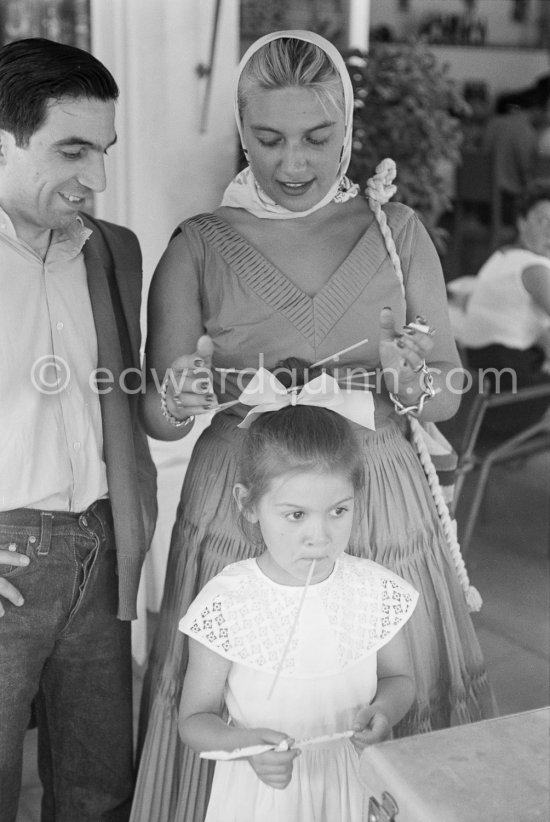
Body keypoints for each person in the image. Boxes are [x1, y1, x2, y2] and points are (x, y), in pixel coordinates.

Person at [131, 31, 495, 822]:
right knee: (243, 694)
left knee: (384, 687)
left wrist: (412, 380)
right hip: (247, 503)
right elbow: (157, 417)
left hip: (374, 499)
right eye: (267, 139)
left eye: (317, 138)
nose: (292, 162)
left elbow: (446, 396)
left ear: (349, 130)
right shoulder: (198, 245)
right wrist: (181, 398)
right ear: (241, 131)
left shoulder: (397, 232)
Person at [0, 38, 157, 821]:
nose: (96, 177)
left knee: (99, 795)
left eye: (103, 150)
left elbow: (129, 402)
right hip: (5, 553)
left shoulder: (113, 251)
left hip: (101, 547)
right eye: (72, 150)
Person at [178, 394, 418, 822]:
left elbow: (399, 679)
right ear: (248, 504)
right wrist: (246, 746)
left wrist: (384, 712)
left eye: (338, 511)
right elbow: (194, 719)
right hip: (264, 794)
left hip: (351, 783)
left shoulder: (373, 590)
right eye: (295, 515)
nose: (319, 537)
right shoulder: (227, 602)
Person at [459, 181, 550, 434]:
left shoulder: (501, 257)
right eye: (543, 220)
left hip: (479, 392)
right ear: (522, 222)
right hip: (509, 395)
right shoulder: (534, 268)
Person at [483, 74, 550, 225]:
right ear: (539, 109)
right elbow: (528, 172)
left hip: (481, 202)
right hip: (510, 204)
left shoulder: (493, 123)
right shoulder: (526, 131)